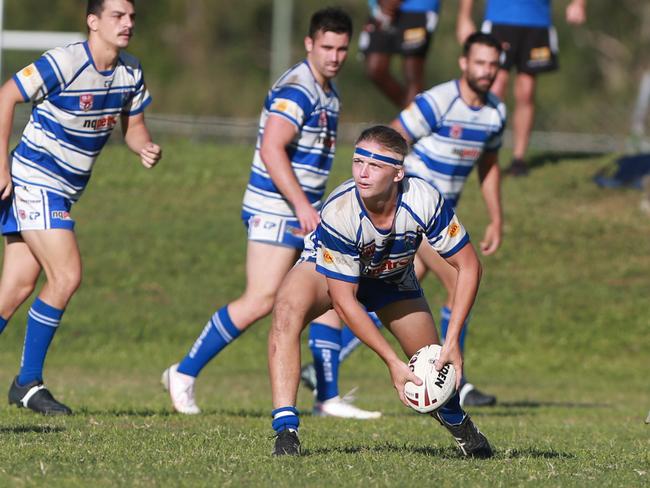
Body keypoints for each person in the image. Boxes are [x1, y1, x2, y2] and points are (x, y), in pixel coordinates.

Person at [161, 8, 378, 419]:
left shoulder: (326, 91)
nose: (334, 55)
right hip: (277, 207)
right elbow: (271, 146)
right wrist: (300, 204)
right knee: (261, 299)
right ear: (309, 44)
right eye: (327, 47)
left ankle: (326, 397)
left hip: (307, 212)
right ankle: (183, 372)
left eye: (342, 49)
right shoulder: (298, 89)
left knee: (334, 293)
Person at [303, 32, 506, 408]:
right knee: (456, 278)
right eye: (479, 62)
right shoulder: (438, 102)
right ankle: (451, 375)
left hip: (439, 220)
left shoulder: (495, 112)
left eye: (493, 64)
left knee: (392, 296)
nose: (486, 70)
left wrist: (496, 216)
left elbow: (489, 166)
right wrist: (400, 191)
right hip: (412, 214)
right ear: (464, 63)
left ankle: (325, 367)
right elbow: (393, 139)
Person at [269, 125, 492, 457]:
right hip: (330, 272)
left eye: (374, 165)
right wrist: (391, 361)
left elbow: (469, 266)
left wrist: (452, 342)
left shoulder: (424, 199)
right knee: (286, 309)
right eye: (358, 161)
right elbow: (344, 301)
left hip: (392, 278)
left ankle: (461, 426)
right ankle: (286, 431)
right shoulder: (340, 210)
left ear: (398, 172)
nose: (362, 172)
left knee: (433, 365)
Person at [0, 0, 161, 415]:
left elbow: (134, 128)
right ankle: (28, 381)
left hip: (61, 191)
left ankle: (26, 386)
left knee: (17, 289)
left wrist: (143, 147)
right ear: (93, 22)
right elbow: (5, 97)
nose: (127, 24)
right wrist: (0, 163)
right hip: (34, 180)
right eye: (117, 16)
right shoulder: (66, 61)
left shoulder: (131, 72)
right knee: (67, 275)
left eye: (131, 17)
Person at [456, 0, 587, 176]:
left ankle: (519, 159)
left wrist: (579, 4)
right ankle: (481, 152)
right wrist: (464, 17)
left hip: (537, 21)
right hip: (500, 18)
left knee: (526, 92)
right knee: (494, 88)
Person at [360, 0, 441, 108]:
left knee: (412, 71)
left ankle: (414, 121)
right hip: (379, 8)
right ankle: (416, 115)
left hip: (418, 8)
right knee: (375, 68)